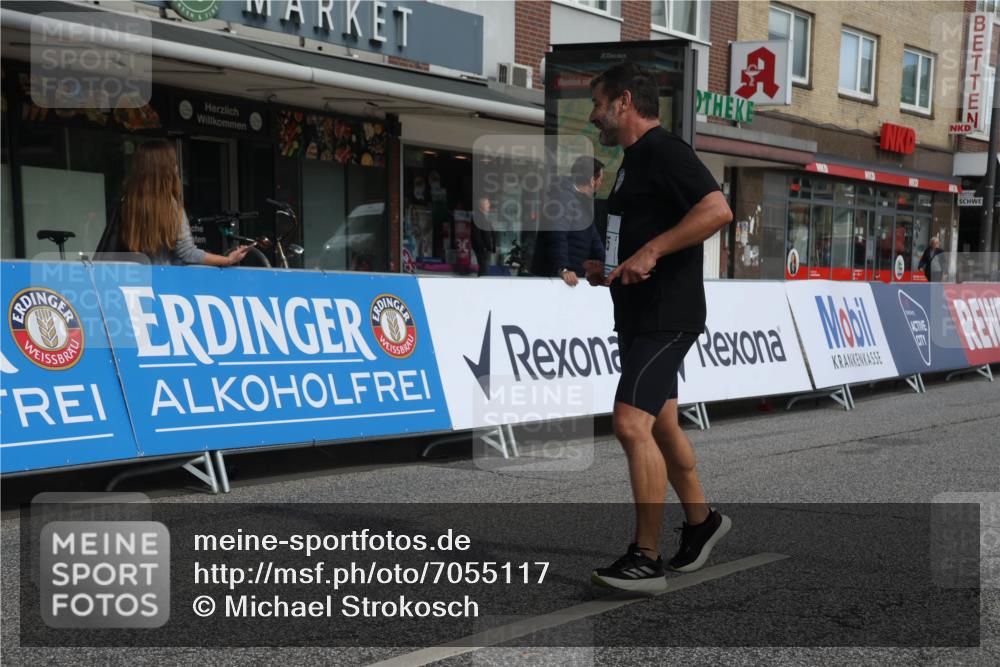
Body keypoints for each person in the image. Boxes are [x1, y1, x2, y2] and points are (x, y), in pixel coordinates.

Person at [582, 63, 734, 592]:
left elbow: (717, 210)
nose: (592, 115)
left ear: (623, 102)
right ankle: (702, 521)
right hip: (638, 312)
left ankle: (645, 558)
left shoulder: (665, 150)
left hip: (667, 316)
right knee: (663, 425)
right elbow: (642, 231)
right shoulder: (632, 160)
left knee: (630, 424)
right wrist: (609, 266)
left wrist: (652, 250)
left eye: (597, 103)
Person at [101, 139, 250, 266]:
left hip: (132, 282)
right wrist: (228, 260)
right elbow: (187, 253)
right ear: (165, 170)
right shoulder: (169, 206)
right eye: (173, 163)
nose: (177, 168)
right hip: (163, 283)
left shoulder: (127, 203)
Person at [534, 156, 606, 286]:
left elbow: (595, 241)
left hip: (576, 277)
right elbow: (557, 235)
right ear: (592, 181)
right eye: (601, 180)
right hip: (558, 279)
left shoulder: (583, 203)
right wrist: (563, 268)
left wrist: (610, 267)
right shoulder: (563, 198)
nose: (601, 184)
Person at [471, 196, 498, 276]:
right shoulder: (477, 217)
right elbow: (475, 234)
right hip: (483, 249)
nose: (489, 205)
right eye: (487, 203)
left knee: (485, 269)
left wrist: (492, 245)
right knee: (484, 270)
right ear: (481, 205)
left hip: (486, 248)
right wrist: (483, 247)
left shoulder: (484, 216)